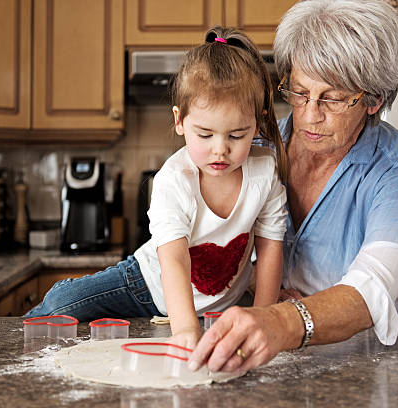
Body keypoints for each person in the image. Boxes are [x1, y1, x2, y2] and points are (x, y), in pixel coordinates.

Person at [188, 0, 398, 373]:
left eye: (333, 98)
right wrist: (261, 283)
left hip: (387, 362)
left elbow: (370, 289)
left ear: (374, 100)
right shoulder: (254, 147)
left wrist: (282, 319)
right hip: (285, 360)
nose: (309, 114)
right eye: (299, 91)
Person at [25, 26, 288, 348]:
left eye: (237, 135)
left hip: (219, 303)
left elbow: (272, 247)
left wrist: (261, 320)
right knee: (60, 305)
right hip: (146, 284)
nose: (221, 149)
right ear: (179, 121)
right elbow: (174, 261)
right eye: (205, 135)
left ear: (258, 123)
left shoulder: (264, 173)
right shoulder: (174, 180)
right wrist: (186, 334)